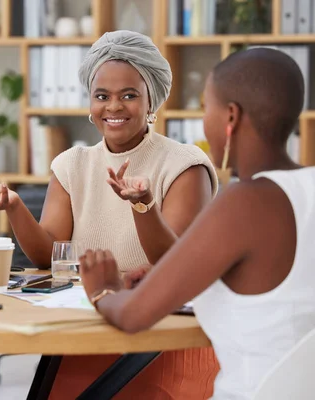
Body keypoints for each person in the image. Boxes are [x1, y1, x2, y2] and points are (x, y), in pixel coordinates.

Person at [0, 30, 219, 399]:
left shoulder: (185, 165)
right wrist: (15, 205)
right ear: (90, 102)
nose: (113, 107)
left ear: (152, 101)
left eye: (129, 95)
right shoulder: (72, 164)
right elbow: (49, 254)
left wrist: (142, 205)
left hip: (163, 339)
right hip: (91, 331)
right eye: (102, 96)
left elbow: (174, 268)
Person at [79, 47, 315, 400]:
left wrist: (103, 290)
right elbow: (272, 286)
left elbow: (132, 317)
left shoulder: (243, 202)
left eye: (207, 108)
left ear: (230, 116)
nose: (205, 121)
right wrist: (171, 277)